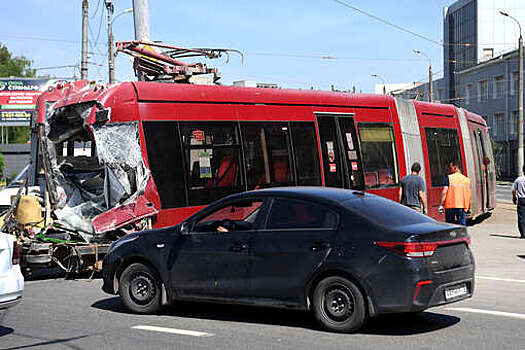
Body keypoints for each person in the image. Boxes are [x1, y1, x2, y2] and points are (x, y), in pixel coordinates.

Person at [439, 161, 471, 225]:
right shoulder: (466, 180)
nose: (450, 169)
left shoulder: (449, 178)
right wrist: (468, 207)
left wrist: (441, 205)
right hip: (462, 206)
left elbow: (444, 192)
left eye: (451, 167)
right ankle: (462, 235)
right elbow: (469, 195)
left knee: (450, 226)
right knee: (461, 226)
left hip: (450, 206)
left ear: (455, 167)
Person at [511, 165, 525, 239]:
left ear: (523, 171)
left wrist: (514, 197)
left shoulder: (518, 179)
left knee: (521, 217)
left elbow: (513, 190)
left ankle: (523, 234)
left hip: (521, 200)